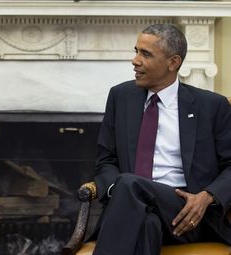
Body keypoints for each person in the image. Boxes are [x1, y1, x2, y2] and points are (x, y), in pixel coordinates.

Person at [91, 24, 231, 255]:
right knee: (147, 224)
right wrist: (119, 193)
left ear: (173, 62)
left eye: (145, 54)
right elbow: (106, 160)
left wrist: (206, 197)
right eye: (136, 51)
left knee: (129, 183)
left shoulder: (211, 106)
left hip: (188, 213)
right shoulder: (120, 97)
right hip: (134, 207)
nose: (135, 61)